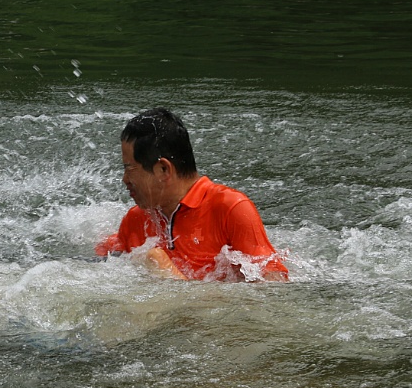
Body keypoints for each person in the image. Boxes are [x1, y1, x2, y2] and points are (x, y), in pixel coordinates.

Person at [96, 108, 288, 281]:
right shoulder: (135, 221)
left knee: (155, 259)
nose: (125, 179)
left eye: (129, 168)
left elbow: (273, 289)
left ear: (163, 169)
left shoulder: (230, 208)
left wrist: (169, 275)